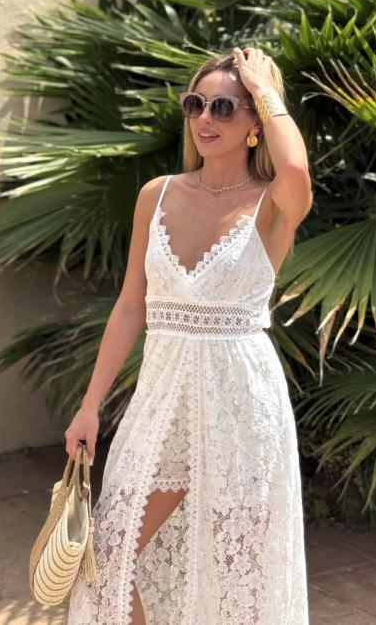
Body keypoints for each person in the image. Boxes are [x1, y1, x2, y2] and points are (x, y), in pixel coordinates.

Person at [65, 46, 312, 624]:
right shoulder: (156, 194)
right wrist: (90, 406)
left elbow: (297, 170)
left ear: (255, 122)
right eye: (196, 104)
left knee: (235, 579)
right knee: (104, 556)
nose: (205, 118)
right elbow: (131, 305)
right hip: (162, 403)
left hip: (241, 407)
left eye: (225, 107)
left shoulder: (273, 201)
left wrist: (262, 87)